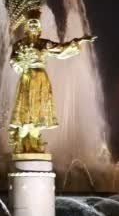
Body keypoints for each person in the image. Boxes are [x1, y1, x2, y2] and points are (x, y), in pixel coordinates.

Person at [9, 10, 96, 153]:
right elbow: (13, 61)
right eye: (30, 23)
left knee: (37, 112)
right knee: (26, 108)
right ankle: (21, 142)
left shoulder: (44, 44)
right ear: (26, 26)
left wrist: (80, 40)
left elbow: (61, 49)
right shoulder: (19, 44)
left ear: (38, 26)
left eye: (35, 23)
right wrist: (20, 63)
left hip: (41, 78)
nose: (32, 25)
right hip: (27, 77)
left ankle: (35, 143)